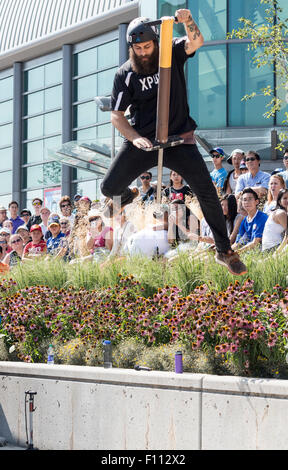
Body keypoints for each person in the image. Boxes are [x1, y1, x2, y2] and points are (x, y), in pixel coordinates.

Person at [100, 11, 247, 276]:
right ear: (130, 47)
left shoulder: (171, 52)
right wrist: (135, 138)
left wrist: (188, 20)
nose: (144, 52)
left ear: (156, 42)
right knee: (109, 187)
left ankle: (224, 250)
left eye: (147, 46)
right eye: (138, 48)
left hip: (180, 139)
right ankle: (129, 196)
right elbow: (117, 115)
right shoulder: (125, 74)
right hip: (143, 142)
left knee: (206, 191)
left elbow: (197, 41)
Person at [232, 188, 268, 252]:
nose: (247, 202)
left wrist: (238, 252)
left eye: (250, 199)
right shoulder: (245, 221)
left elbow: (256, 242)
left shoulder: (262, 217)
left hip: (263, 252)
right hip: (249, 251)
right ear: (242, 203)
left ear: (257, 201)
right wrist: (227, 251)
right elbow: (237, 243)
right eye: (244, 200)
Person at [262, 188, 288, 252]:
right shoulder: (281, 213)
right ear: (279, 202)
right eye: (285, 198)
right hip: (272, 249)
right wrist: (276, 254)